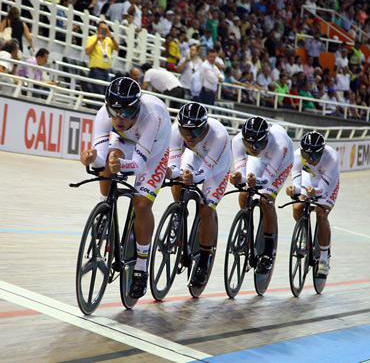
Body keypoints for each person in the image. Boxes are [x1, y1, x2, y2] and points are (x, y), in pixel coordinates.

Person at [80, 77, 171, 299]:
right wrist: (92, 157)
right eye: (114, 110)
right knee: (109, 160)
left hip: (153, 151)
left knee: (141, 204)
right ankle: (104, 210)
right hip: (125, 140)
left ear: (137, 108)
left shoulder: (152, 116)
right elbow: (101, 156)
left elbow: (138, 165)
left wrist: (120, 164)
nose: (119, 118)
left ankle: (140, 267)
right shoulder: (104, 114)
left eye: (127, 111)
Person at [166, 102, 232, 286]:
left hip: (216, 167)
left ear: (204, 127)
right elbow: (173, 164)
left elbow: (205, 172)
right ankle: (180, 213)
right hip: (194, 156)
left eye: (194, 132)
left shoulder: (219, 135)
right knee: (178, 178)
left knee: (206, 210)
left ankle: (204, 261)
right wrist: (172, 173)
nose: (188, 136)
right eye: (184, 131)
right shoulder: (175, 131)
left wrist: (192, 177)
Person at [229, 116, 294, 272]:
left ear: (266, 138)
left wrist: (251, 180)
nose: (253, 147)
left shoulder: (280, 144)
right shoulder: (238, 141)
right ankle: (246, 227)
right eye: (249, 144)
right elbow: (241, 173)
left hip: (280, 163)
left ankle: (268, 252)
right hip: (258, 160)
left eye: (258, 143)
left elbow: (266, 180)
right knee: (245, 192)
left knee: (266, 200)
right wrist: (238, 177)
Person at [286, 132, 340, 276]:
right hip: (309, 179)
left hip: (327, 184)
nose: (310, 159)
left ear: (321, 152)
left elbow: (322, 189)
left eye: (315, 156)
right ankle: (303, 233)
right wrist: (293, 190)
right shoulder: (297, 156)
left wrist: (314, 192)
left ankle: (323, 259)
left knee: (322, 215)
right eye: (307, 155)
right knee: (298, 206)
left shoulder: (331, 157)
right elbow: (297, 185)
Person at [85, 21, 119, 101]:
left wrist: (111, 36)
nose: (103, 30)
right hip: (96, 70)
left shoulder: (109, 40)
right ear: (97, 29)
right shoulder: (92, 38)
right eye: (101, 28)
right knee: (98, 94)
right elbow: (87, 52)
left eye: (105, 28)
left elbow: (117, 48)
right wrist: (97, 40)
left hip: (106, 71)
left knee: (105, 95)